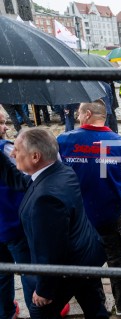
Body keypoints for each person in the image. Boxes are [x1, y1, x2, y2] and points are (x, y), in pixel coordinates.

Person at [0, 127, 108, 319]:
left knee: (40, 312)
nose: (13, 153)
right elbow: (21, 182)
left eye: (17, 149)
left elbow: (49, 251)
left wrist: (44, 291)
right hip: (86, 257)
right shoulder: (61, 171)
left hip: (68, 267)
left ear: (35, 156)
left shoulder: (45, 199)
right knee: (95, 307)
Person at [57, 100, 121, 316]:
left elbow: (56, 175)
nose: (76, 113)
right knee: (116, 260)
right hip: (108, 213)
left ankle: (96, 304)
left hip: (77, 216)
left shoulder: (63, 141)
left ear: (87, 114)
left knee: (84, 261)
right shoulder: (120, 143)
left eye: (78, 111)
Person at [0, 106, 35, 319]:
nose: (4, 128)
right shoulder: (5, 150)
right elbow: (27, 176)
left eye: (4, 122)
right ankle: (38, 311)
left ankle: (6, 312)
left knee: (2, 274)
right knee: (29, 271)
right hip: (13, 223)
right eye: (1, 123)